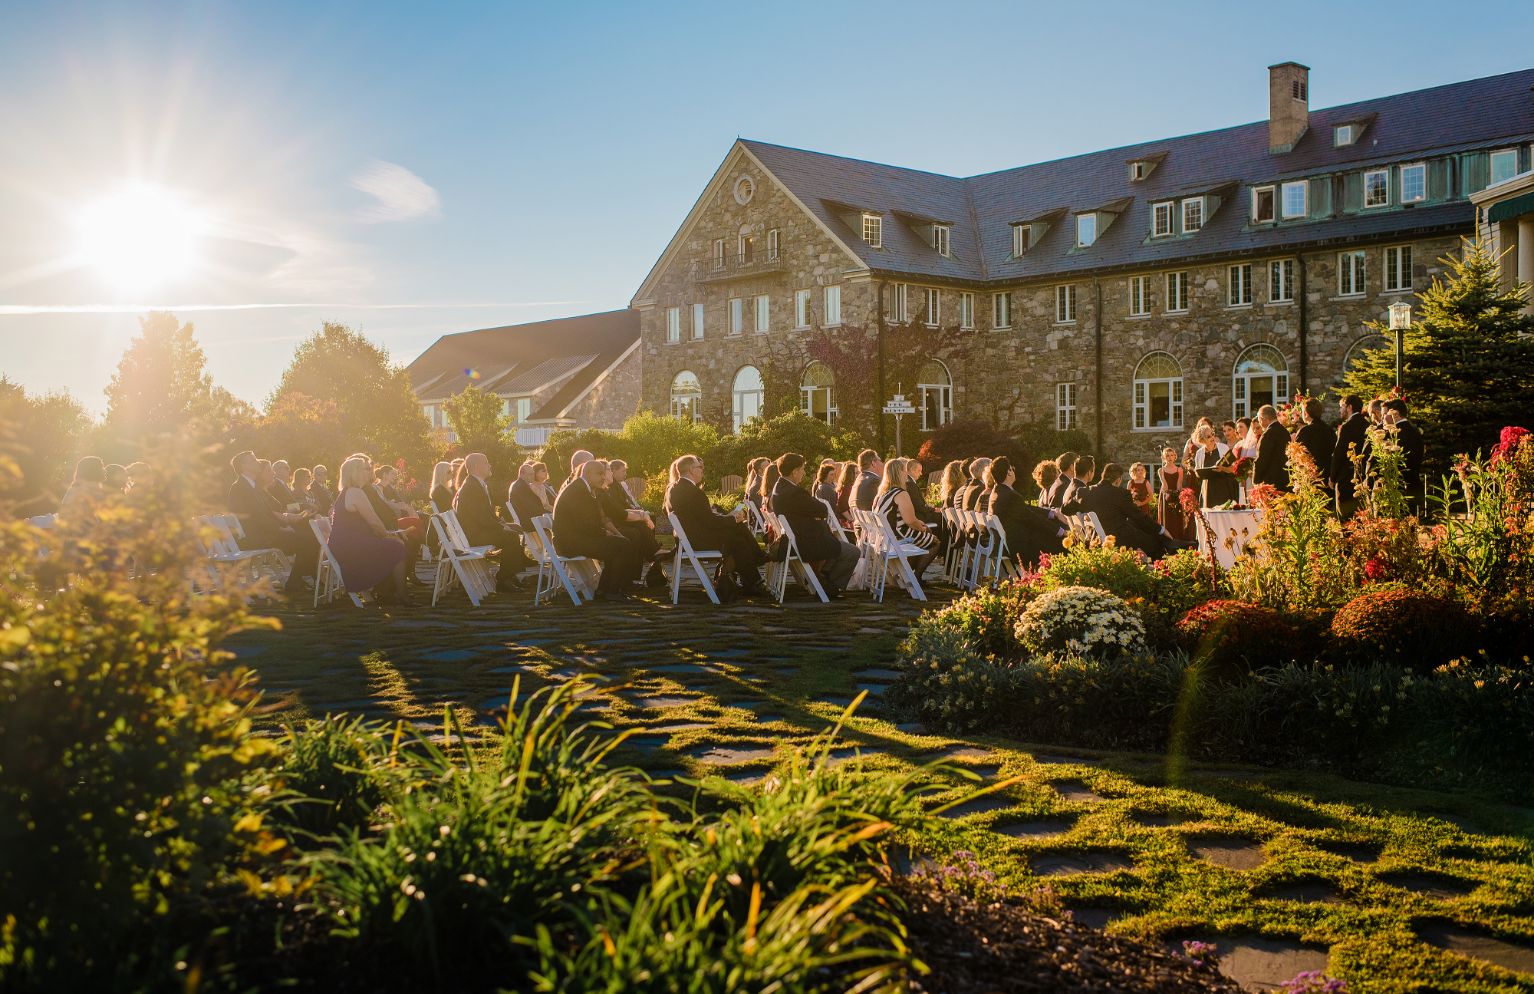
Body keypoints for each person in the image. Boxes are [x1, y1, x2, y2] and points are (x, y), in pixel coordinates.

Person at [665, 453, 767, 600]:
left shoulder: (675, 488)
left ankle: (753, 579)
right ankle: (755, 569)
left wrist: (730, 519)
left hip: (690, 537)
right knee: (738, 535)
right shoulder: (693, 492)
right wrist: (732, 520)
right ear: (691, 470)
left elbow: (703, 518)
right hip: (699, 539)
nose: (702, 470)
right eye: (699, 467)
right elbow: (710, 522)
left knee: (738, 536)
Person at [226, 450, 319, 597]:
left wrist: (284, 524)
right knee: (310, 541)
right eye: (253, 460)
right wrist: (281, 528)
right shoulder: (240, 487)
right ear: (244, 467)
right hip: (254, 538)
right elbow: (256, 518)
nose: (257, 462)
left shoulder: (252, 486)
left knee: (310, 538)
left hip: (264, 533)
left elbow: (268, 513)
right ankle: (296, 583)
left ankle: (298, 581)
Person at [771, 452, 859, 596]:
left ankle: (823, 579)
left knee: (838, 549)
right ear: (795, 472)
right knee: (853, 552)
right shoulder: (794, 493)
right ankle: (827, 586)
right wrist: (816, 517)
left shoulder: (779, 488)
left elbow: (815, 510)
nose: (804, 473)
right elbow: (823, 510)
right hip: (808, 541)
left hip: (798, 537)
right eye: (803, 469)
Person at [554, 459, 639, 600]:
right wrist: (607, 533)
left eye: (603, 474)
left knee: (620, 542)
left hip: (576, 538)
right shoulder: (578, 491)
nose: (603, 477)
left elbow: (592, 521)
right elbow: (585, 524)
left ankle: (604, 590)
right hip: (569, 543)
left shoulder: (584, 488)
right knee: (622, 545)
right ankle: (610, 591)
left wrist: (610, 533)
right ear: (587, 473)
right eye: (599, 474)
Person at [330, 455, 409, 603]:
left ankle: (387, 590)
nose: (370, 472)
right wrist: (388, 535)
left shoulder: (349, 491)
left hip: (347, 542)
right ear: (356, 472)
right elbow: (374, 521)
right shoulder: (355, 492)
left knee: (395, 543)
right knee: (397, 546)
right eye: (366, 469)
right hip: (350, 545)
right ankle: (401, 594)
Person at [453, 451, 530, 592]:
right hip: (474, 535)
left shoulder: (476, 483)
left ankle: (510, 574)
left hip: (480, 530)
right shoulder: (471, 486)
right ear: (477, 466)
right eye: (486, 462)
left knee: (516, 529)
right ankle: (503, 579)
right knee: (510, 537)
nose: (490, 465)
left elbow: (485, 514)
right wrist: (501, 528)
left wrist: (504, 524)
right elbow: (480, 516)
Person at [986, 457, 1065, 569]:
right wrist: (1060, 532)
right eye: (1012, 468)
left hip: (1009, 543)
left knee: (1050, 534)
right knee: (1059, 542)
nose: (1013, 471)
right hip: (1020, 547)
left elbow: (1026, 509)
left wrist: (1051, 513)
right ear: (1008, 472)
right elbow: (1033, 518)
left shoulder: (998, 492)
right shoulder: (1010, 496)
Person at [1080, 463, 1173, 558]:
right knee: (1155, 543)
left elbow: (1066, 508)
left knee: (1139, 530)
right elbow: (1138, 516)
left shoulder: (1086, 491)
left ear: (1103, 476)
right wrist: (1160, 529)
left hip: (1095, 538)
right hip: (1118, 539)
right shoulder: (1121, 494)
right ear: (1118, 480)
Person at [604, 459, 669, 587]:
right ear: (613, 470)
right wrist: (640, 515)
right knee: (638, 528)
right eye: (623, 471)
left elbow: (623, 506)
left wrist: (640, 513)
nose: (625, 474)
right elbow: (617, 511)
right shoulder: (611, 487)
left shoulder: (616, 485)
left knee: (649, 520)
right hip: (615, 522)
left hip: (618, 517)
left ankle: (652, 553)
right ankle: (652, 552)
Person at [874, 458, 938, 576]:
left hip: (885, 538)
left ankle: (906, 573)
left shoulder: (883, 493)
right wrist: (923, 528)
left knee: (925, 533)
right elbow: (911, 521)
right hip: (898, 537)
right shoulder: (901, 494)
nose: (906, 474)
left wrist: (920, 525)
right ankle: (915, 576)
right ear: (900, 473)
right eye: (904, 470)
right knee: (934, 542)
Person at [1332, 394, 1371, 520]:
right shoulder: (1367, 425)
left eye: (1342, 406)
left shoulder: (1347, 427)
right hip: (1362, 476)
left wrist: (1332, 477)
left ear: (1349, 407)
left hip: (1345, 476)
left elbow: (1339, 453)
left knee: (1344, 517)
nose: (1340, 410)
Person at [1384, 398, 1425, 514]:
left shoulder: (1394, 435)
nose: (1384, 419)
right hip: (1414, 486)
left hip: (1398, 489)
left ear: (1395, 414)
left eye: (1386, 414)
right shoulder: (1415, 431)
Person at [1191, 425, 1239, 508]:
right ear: (1202, 440)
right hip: (1208, 489)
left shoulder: (1223, 448)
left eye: (1212, 434)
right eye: (1208, 436)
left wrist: (1222, 468)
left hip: (1224, 487)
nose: (1212, 437)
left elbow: (1233, 468)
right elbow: (1198, 472)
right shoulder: (1199, 453)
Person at [1295, 397, 1336, 490]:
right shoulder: (1329, 430)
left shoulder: (1305, 431)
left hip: (1311, 476)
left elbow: (1297, 455)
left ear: (1306, 413)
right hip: (1327, 475)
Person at [1252, 404, 1291, 489]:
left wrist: (1256, 481)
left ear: (1263, 419)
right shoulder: (1285, 431)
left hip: (1270, 482)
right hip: (1284, 479)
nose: (1259, 422)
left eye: (1259, 420)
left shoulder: (1268, 434)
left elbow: (1262, 459)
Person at [1157, 447, 1191, 541]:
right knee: (1166, 517)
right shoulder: (1161, 470)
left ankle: (1177, 538)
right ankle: (1166, 539)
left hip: (1176, 494)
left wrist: (1179, 496)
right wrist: (1167, 495)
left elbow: (1179, 484)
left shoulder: (1179, 469)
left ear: (1175, 457)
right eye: (1167, 456)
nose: (1169, 457)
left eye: (1171, 455)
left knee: (1176, 517)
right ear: (1164, 458)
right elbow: (1165, 485)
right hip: (1165, 494)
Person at [59, 456, 106, 522]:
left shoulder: (77, 487)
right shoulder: (88, 488)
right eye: (101, 467)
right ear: (93, 470)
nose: (104, 470)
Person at [508, 460, 546, 527]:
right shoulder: (520, 487)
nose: (533, 476)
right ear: (522, 474)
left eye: (533, 474)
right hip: (529, 521)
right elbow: (531, 506)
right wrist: (546, 513)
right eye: (530, 474)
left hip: (530, 518)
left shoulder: (520, 485)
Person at [905, 458, 942, 526]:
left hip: (916, 515)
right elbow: (918, 507)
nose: (921, 474)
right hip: (919, 517)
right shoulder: (910, 484)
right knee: (942, 516)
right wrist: (933, 509)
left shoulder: (908, 482)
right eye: (919, 471)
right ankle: (941, 536)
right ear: (912, 470)